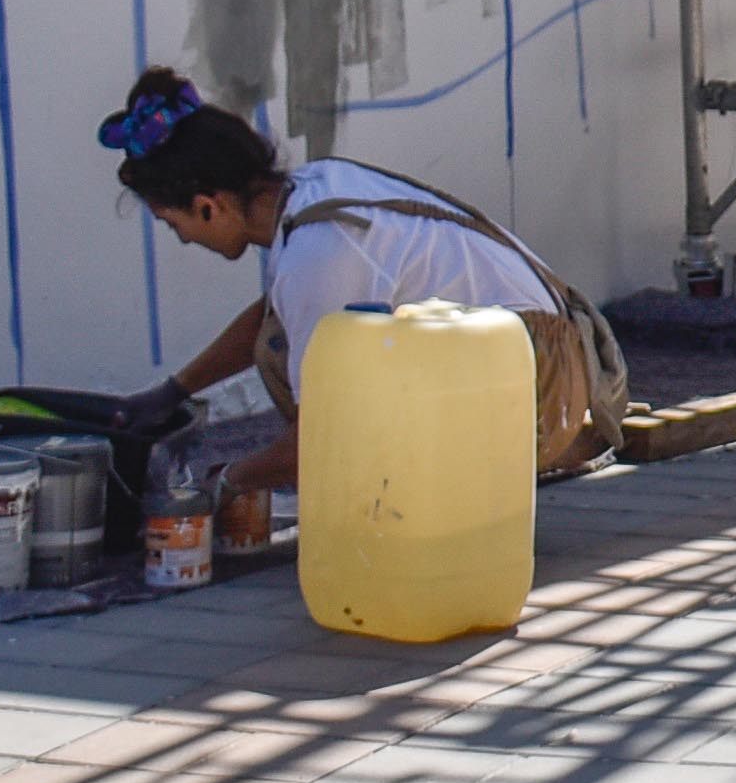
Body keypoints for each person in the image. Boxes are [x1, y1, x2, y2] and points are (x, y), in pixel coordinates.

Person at [100, 68, 614, 493]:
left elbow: (324, 435)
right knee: (285, 341)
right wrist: (173, 391)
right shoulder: (313, 191)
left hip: (541, 388)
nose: (185, 241)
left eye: (176, 225)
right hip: (551, 358)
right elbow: (274, 313)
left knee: (310, 377)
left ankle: (446, 487)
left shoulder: (318, 251)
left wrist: (225, 483)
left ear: (207, 206)